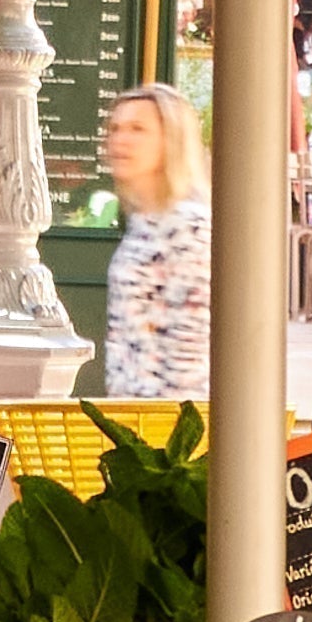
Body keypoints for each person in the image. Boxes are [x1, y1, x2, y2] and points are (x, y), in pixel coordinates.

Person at [95, 81, 211, 401]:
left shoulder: (188, 226)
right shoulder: (144, 221)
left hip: (167, 426)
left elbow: (191, 343)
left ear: (171, 141)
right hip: (132, 418)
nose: (121, 140)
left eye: (138, 129)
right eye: (116, 128)